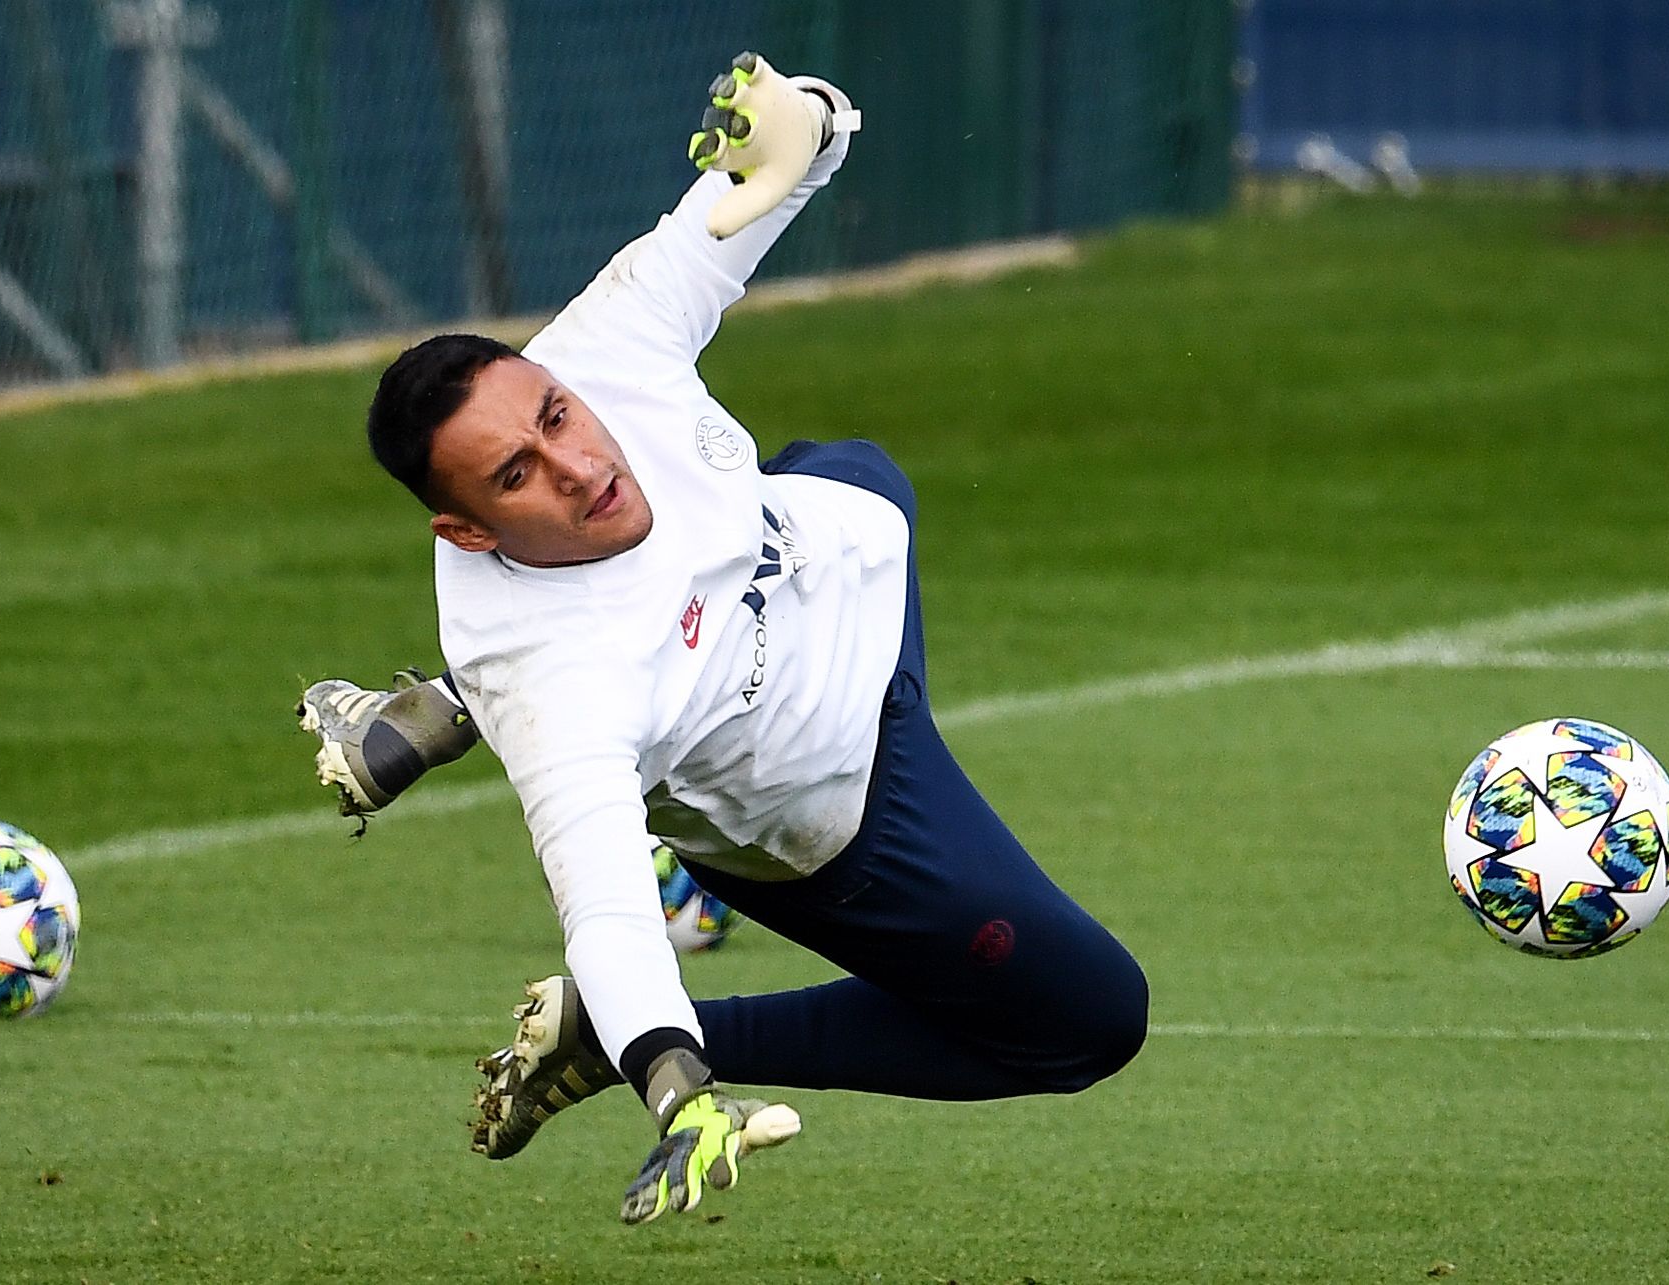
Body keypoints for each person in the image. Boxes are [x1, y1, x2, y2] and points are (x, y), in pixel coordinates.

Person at [298, 53, 1148, 1226]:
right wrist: (676, 1080)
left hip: (840, 563)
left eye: (553, 416)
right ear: (466, 528)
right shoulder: (562, 692)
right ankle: (610, 1038)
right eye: (518, 475)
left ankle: (442, 703)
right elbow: (607, 911)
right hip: (844, 800)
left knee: (854, 466)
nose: (580, 464)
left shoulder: (603, 339)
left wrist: (801, 112)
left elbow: (793, 162)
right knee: (1089, 1020)